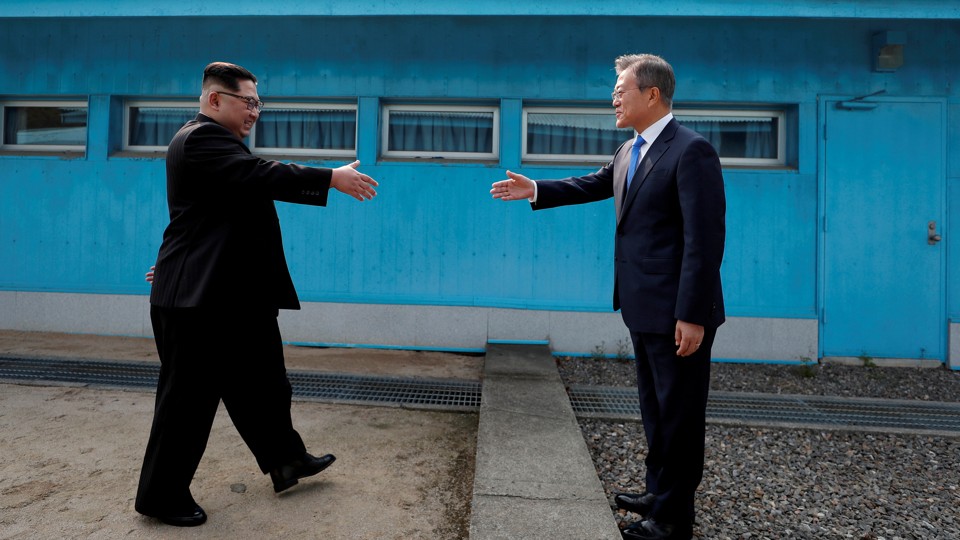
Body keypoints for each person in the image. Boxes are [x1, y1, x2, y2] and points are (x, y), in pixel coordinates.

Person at [490, 53, 725, 540]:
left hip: (678, 312)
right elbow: (591, 184)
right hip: (642, 306)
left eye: (622, 89)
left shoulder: (691, 151)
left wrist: (693, 315)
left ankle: (675, 519)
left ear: (652, 94)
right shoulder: (629, 151)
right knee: (655, 409)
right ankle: (658, 492)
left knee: (680, 416)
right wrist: (536, 187)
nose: (613, 97)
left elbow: (705, 240)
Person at [135, 61, 379, 527]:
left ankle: (287, 461)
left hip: (228, 295)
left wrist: (177, 264)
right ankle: (161, 496)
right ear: (214, 100)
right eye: (247, 102)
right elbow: (263, 175)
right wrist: (330, 177)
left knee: (265, 385)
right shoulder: (201, 138)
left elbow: (209, 221)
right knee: (187, 402)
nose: (254, 112)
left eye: (258, 104)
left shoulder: (221, 147)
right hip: (198, 305)